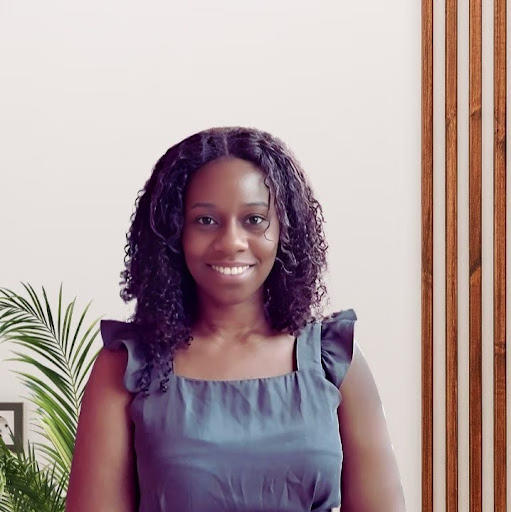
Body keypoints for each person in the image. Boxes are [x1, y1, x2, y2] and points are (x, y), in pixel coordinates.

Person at [66, 127, 405, 512]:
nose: (231, 242)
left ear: (285, 230)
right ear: (174, 233)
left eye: (254, 219)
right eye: (206, 220)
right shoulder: (126, 366)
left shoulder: (336, 361)